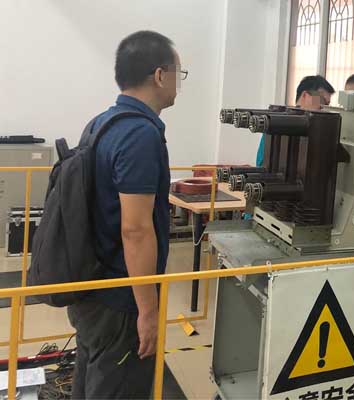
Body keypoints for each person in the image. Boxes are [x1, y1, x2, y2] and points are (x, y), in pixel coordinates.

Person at [67, 30, 184, 399]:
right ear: (160, 75)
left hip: (91, 289)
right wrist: (147, 311)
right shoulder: (140, 135)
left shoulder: (101, 123)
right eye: (178, 74)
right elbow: (135, 230)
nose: (179, 84)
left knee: (91, 382)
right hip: (120, 303)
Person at [256, 75, 334, 166]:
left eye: (327, 104)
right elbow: (261, 164)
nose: (323, 107)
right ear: (305, 95)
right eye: (322, 100)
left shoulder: (320, 129)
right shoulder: (277, 122)